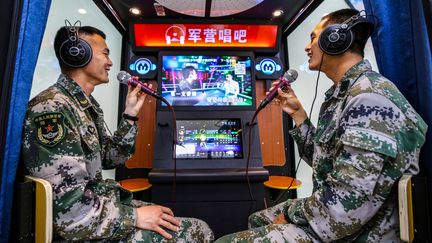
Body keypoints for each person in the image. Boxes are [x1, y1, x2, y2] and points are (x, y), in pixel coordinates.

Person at [215, 8, 427, 242]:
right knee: (258, 219)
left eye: (314, 37)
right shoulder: (344, 96)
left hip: (359, 232)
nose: (308, 47)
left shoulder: (369, 99)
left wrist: (289, 213)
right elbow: (324, 161)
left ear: (335, 39)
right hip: (337, 219)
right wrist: (298, 115)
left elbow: (344, 206)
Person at [21, 24, 213, 242]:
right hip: (80, 228)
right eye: (105, 54)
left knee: (178, 220)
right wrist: (135, 216)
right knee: (199, 231)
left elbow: (112, 158)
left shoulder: (84, 105)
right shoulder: (52, 110)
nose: (111, 62)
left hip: (99, 208)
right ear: (79, 53)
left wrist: (130, 115)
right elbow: (70, 213)